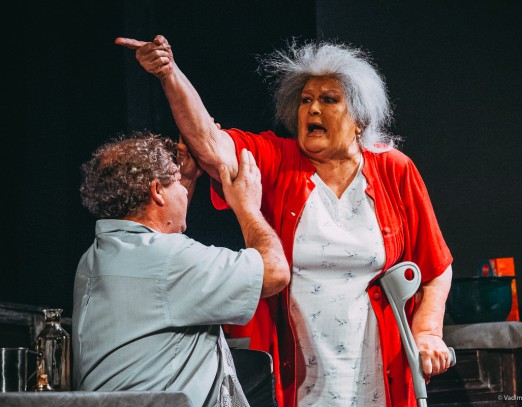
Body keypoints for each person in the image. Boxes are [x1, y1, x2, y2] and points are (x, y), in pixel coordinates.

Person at [116, 35, 454, 407]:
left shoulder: (394, 169)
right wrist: (169, 74)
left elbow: (436, 266)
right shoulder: (277, 160)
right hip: (296, 374)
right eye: (306, 100)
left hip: (377, 370)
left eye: (329, 100)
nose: (313, 109)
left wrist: (428, 331)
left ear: (360, 119)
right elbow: (210, 145)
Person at [73, 130, 290, 407]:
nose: (184, 193)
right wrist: (248, 207)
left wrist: (185, 177)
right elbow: (275, 272)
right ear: (157, 191)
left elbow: (161, 258)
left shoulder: (94, 258)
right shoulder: (167, 261)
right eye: (176, 182)